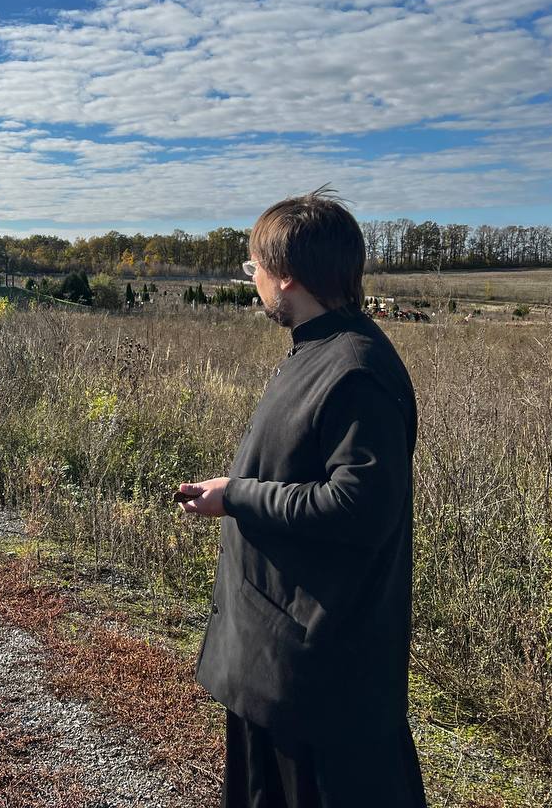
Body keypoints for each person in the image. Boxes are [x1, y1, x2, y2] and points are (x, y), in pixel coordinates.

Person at [176, 188, 426, 808]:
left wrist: (237, 495)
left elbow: (358, 507)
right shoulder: (317, 353)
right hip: (278, 665)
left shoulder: (356, 370)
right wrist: (234, 491)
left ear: (285, 276)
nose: (252, 279)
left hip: (318, 684)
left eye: (253, 267)